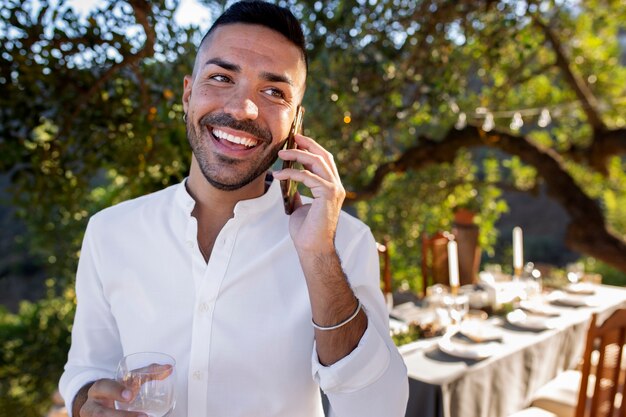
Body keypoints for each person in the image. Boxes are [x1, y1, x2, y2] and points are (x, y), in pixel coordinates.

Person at [59, 1, 409, 416]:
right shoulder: (110, 232)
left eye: (274, 92)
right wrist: (87, 403)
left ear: (296, 121)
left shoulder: (343, 244)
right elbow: (87, 368)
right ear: (188, 94)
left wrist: (319, 259)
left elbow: (379, 407)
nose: (242, 109)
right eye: (221, 77)